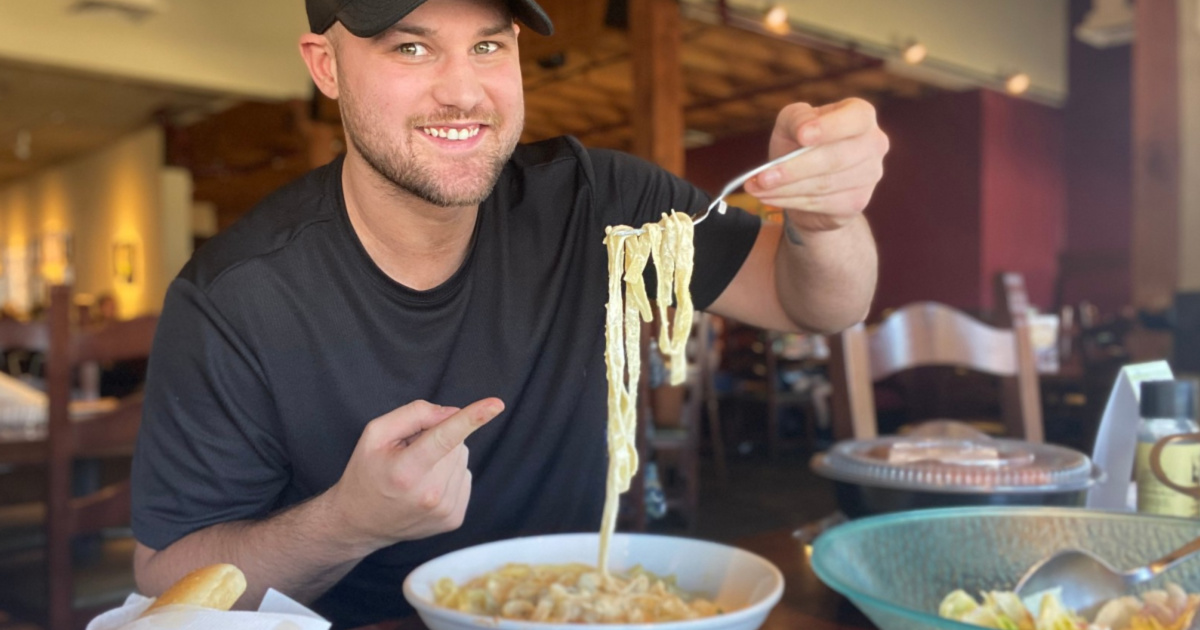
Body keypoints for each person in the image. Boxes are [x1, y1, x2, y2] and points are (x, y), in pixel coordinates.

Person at [129, 0, 888, 626]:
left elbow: (814, 302)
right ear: (325, 66)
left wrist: (830, 221)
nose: (463, 92)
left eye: (488, 46)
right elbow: (168, 579)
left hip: (614, 608)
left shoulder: (601, 202)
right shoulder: (234, 295)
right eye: (412, 49)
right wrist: (347, 521)